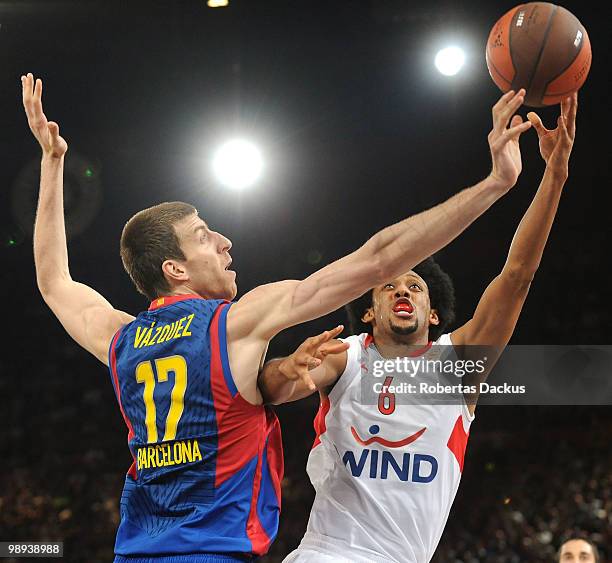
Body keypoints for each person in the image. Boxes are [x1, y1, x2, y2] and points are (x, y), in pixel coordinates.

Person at [22, 69, 531, 563]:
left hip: (133, 552)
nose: (224, 241)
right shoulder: (236, 323)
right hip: (214, 553)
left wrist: (52, 163)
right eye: (204, 235)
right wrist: (493, 184)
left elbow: (54, 282)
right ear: (175, 268)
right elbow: (379, 259)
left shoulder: (120, 339)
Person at [260, 94, 578, 563]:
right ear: (369, 312)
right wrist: (288, 368)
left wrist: (555, 175)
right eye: (387, 286)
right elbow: (269, 390)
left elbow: (517, 275)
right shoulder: (346, 355)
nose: (402, 290)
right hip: (332, 554)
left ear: (433, 313)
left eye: (415, 285)